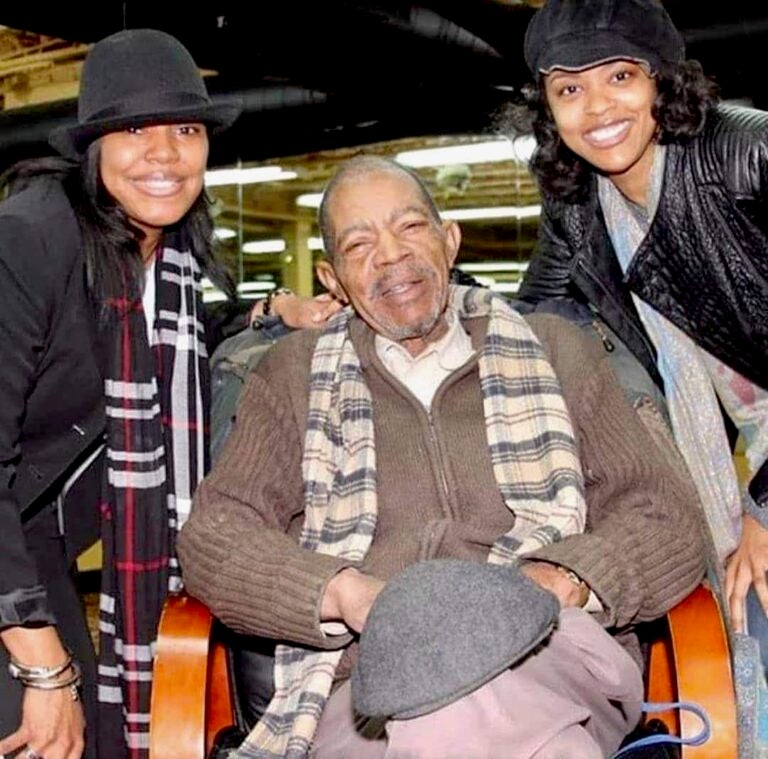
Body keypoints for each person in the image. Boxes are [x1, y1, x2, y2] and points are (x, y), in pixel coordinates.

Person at [178, 155, 705, 758]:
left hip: (549, 653)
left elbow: (665, 513)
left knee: (450, 698)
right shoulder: (290, 378)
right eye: (359, 244)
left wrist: (554, 581)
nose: (390, 256)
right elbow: (216, 535)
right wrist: (347, 594)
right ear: (332, 279)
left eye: (410, 228)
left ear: (449, 241)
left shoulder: (562, 352)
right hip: (362, 691)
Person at [0, 27, 249, 759]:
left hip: (35, 536)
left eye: (186, 129)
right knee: (43, 728)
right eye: (134, 129)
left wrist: (264, 315)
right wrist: (41, 665)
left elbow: (146, 345)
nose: (166, 154)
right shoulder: (29, 242)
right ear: (93, 149)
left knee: (99, 736)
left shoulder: (162, 262)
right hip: (10, 545)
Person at [514, 0, 768, 649]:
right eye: (570, 88)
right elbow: (530, 322)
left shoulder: (748, 153)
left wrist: (763, 510)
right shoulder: (578, 205)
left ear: (662, 79)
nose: (597, 109)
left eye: (619, 77)